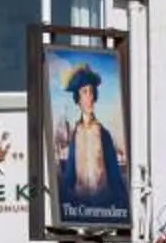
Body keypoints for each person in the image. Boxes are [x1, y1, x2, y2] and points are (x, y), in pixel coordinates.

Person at [52, 62, 129, 223]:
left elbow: (115, 176)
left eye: (91, 92)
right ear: (78, 99)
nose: (89, 97)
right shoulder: (75, 134)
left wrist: (123, 211)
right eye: (84, 92)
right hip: (79, 209)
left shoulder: (103, 133)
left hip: (104, 208)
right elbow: (70, 177)